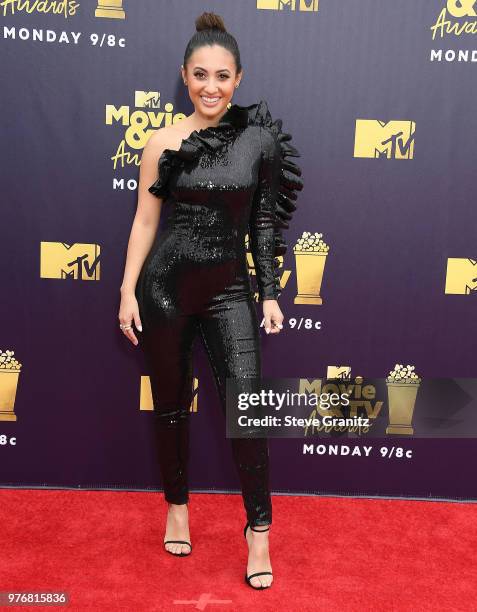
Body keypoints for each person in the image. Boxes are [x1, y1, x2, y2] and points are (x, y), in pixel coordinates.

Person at [118, 11, 303, 590]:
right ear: (184, 76)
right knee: (170, 408)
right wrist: (127, 288)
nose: (211, 87)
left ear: (239, 79)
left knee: (247, 417)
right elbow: (146, 222)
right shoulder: (161, 142)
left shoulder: (260, 141)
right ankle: (177, 507)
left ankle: (259, 531)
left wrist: (270, 292)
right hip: (165, 290)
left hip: (229, 293)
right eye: (200, 75)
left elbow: (265, 224)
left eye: (222, 76)